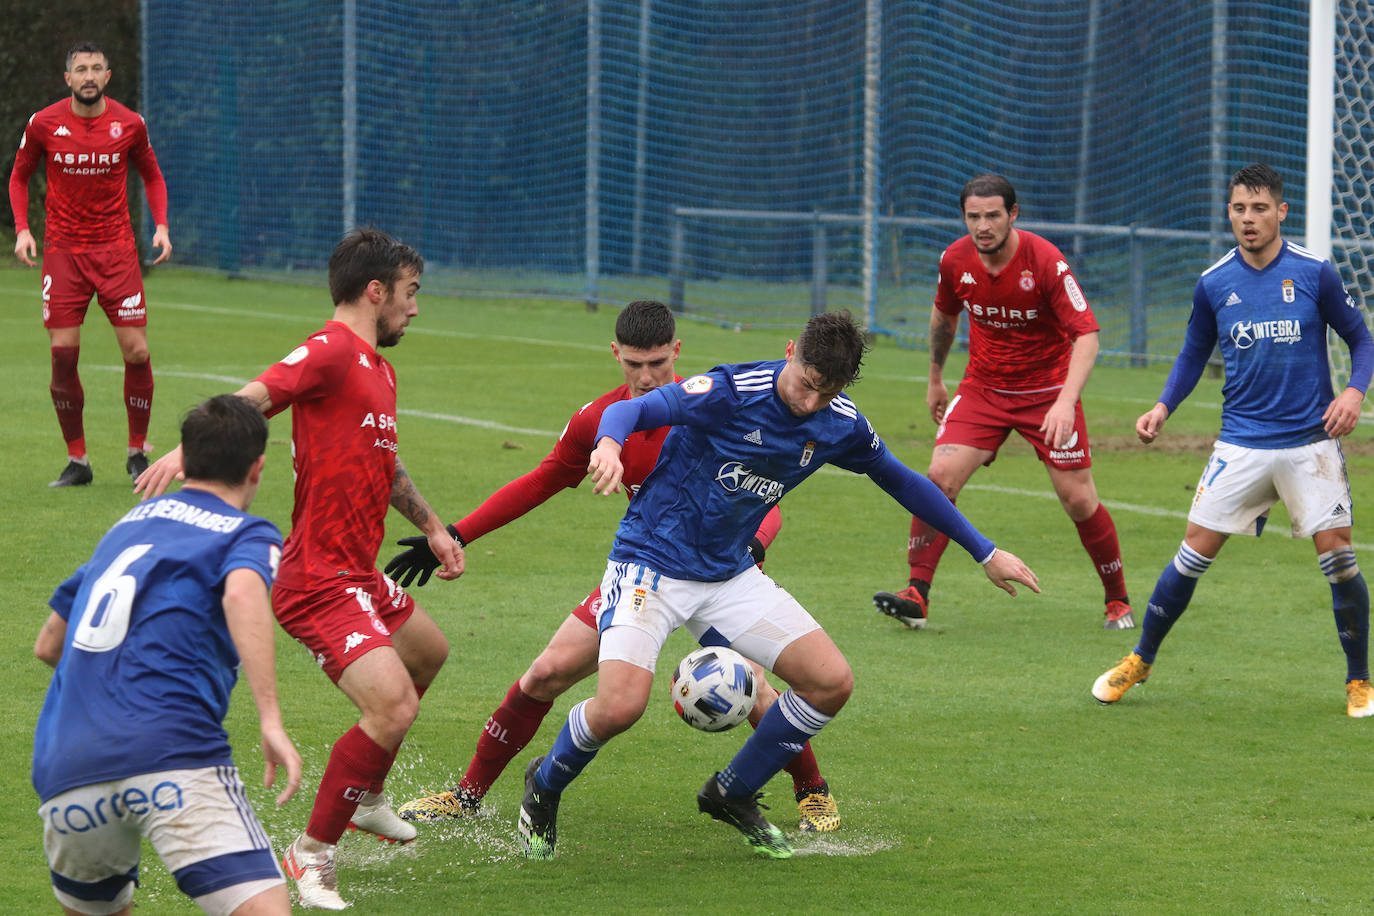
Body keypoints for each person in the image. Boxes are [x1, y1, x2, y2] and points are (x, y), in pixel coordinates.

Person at [516, 310, 1039, 860]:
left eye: (826, 392)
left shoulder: (840, 421)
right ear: (791, 351)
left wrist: (986, 550)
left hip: (727, 575)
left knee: (831, 682)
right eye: (806, 384)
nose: (810, 402)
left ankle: (731, 791)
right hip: (650, 564)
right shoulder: (728, 391)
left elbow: (905, 481)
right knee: (620, 708)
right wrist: (608, 445)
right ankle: (544, 784)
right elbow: (633, 408)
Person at [385, 300, 841, 833]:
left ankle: (811, 789)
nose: (646, 378)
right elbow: (541, 481)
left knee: (750, 688)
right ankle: (467, 795)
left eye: (657, 364)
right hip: (647, 572)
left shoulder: (712, 405)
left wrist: (753, 548)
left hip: (721, 573)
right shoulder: (597, 419)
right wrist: (454, 533)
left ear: (677, 352)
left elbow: (770, 503)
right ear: (615, 355)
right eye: (633, 365)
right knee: (545, 673)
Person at [135, 228, 464, 910]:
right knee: (392, 704)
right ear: (376, 292)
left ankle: (368, 792)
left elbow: (386, 465)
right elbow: (255, 395)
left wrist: (432, 527)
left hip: (360, 571)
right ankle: (312, 854)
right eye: (410, 293)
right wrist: (186, 452)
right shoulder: (333, 350)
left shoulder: (379, 368)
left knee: (427, 654)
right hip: (316, 579)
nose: (414, 308)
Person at [1092, 163, 1374, 715]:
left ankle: (1359, 680)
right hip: (1241, 444)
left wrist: (1354, 392)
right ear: (1230, 212)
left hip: (1308, 444)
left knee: (1339, 560)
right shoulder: (1214, 282)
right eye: (1240, 208)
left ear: (1281, 212)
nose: (1249, 219)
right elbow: (1194, 351)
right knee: (1191, 556)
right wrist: (1162, 406)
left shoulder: (1315, 273)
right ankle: (1141, 659)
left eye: (1260, 208)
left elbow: (1361, 339)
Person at [32, 394, 302, 916]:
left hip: (68, 764)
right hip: (171, 752)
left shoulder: (126, 528)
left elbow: (49, 644)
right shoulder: (246, 531)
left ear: (186, 461)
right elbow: (243, 592)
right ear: (258, 467)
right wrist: (269, 717)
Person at [872, 174, 1131, 631]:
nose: (983, 226)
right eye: (973, 216)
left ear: (1013, 214)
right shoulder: (955, 259)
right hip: (983, 390)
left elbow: (1087, 335)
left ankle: (1118, 601)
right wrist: (935, 378)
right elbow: (944, 319)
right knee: (938, 478)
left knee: (1077, 499)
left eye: (993, 215)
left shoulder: (1045, 261)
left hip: (1049, 393)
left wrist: (1066, 402)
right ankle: (917, 593)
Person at [9, 40, 172, 489]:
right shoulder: (44, 123)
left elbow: (152, 174)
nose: (88, 76)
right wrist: (23, 228)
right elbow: (20, 174)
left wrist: (161, 225)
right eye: (80, 69)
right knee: (63, 354)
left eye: (96, 68)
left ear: (107, 77)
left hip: (116, 252)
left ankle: (137, 453)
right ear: (68, 79)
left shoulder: (130, 124)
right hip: (63, 252)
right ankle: (77, 461)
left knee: (137, 351)